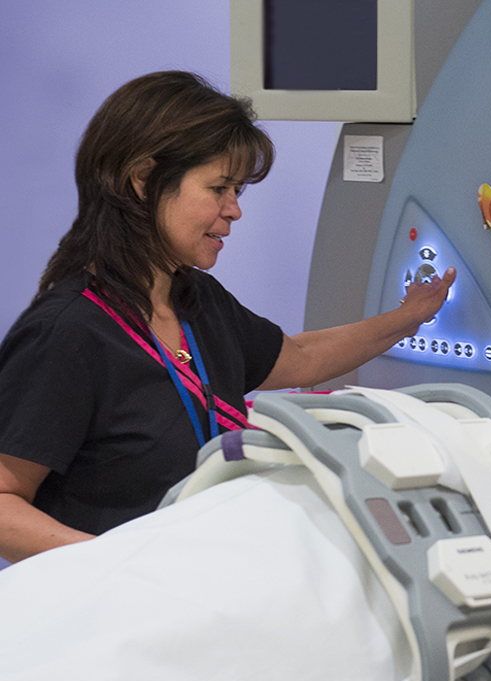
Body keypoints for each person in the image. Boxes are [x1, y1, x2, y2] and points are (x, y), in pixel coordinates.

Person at [0, 71, 456, 564]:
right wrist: (121, 566)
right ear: (144, 180)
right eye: (219, 188)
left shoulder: (197, 301)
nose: (235, 210)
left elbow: (302, 357)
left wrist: (409, 317)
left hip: (207, 577)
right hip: (122, 596)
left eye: (237, 190)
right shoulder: (66, 332)